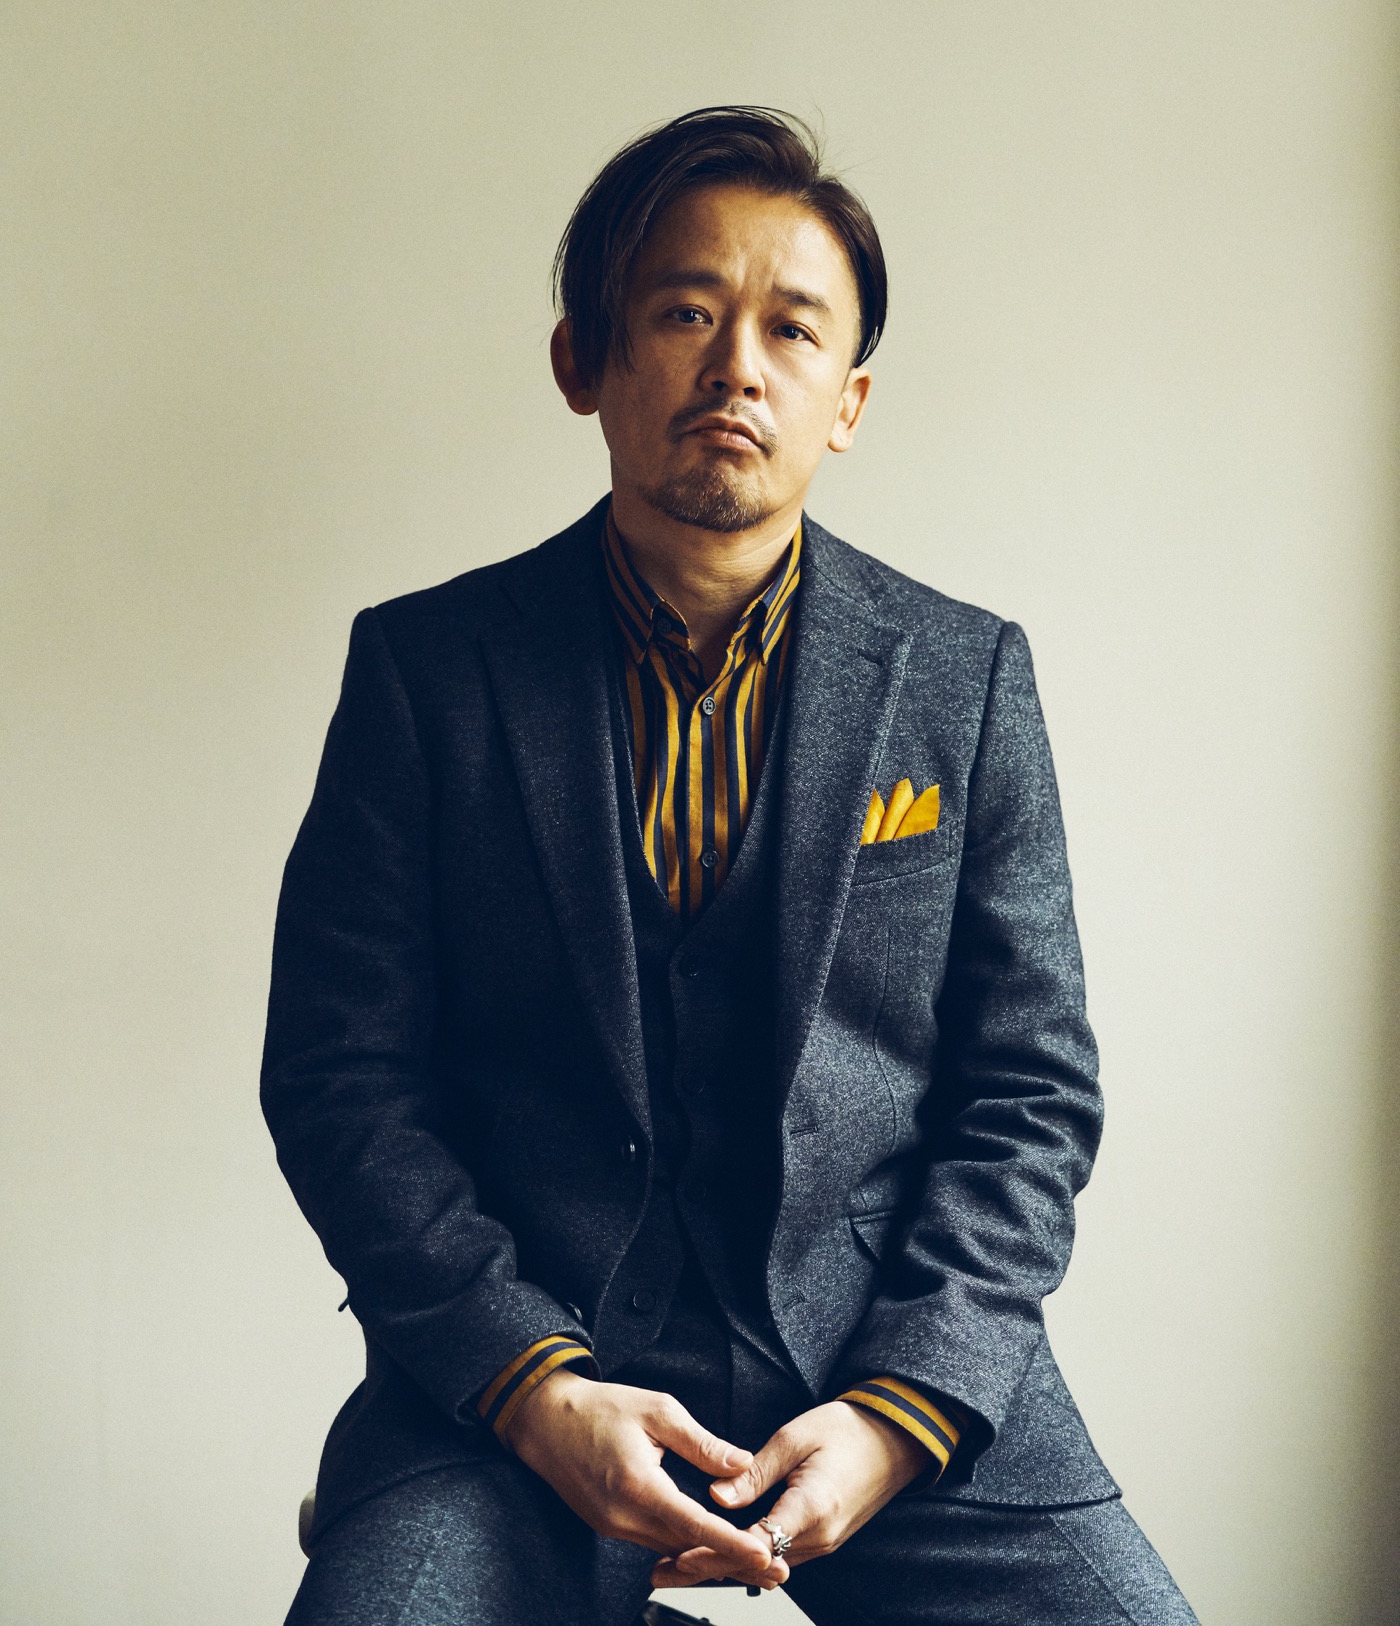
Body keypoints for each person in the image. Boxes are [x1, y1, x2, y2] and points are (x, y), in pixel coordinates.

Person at [262, 106, 1197, 1625]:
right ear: (584, 359)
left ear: (849, 399)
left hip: (883, 1360)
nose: (737, 367)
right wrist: (530, 1385)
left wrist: (903, 1408)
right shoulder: (428, 673)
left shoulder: (963, 679)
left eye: (792, 328)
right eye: (686, 313)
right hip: (516, 1392)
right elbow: (340, 1076)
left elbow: (1030, 1089)